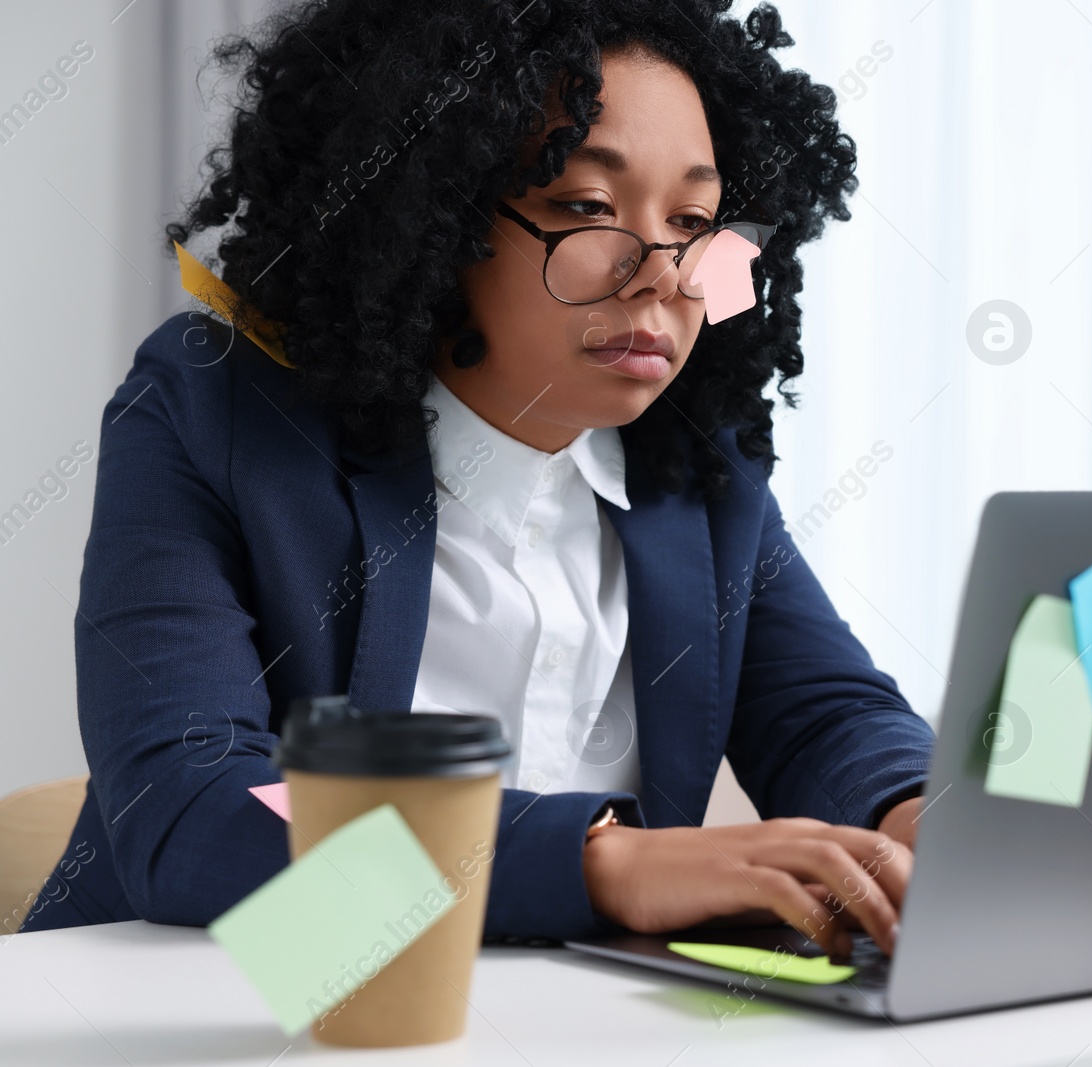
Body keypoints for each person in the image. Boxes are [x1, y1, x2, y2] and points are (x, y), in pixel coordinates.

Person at [19, 0, 934, 960]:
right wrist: (602, 864)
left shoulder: (698, 458)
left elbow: (824, 712)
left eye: (697, 222)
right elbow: (197, 803)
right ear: (434, 214)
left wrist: (917, 817)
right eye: (585, 208)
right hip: (219, 1010)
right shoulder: (215, 416)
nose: (663, 277)